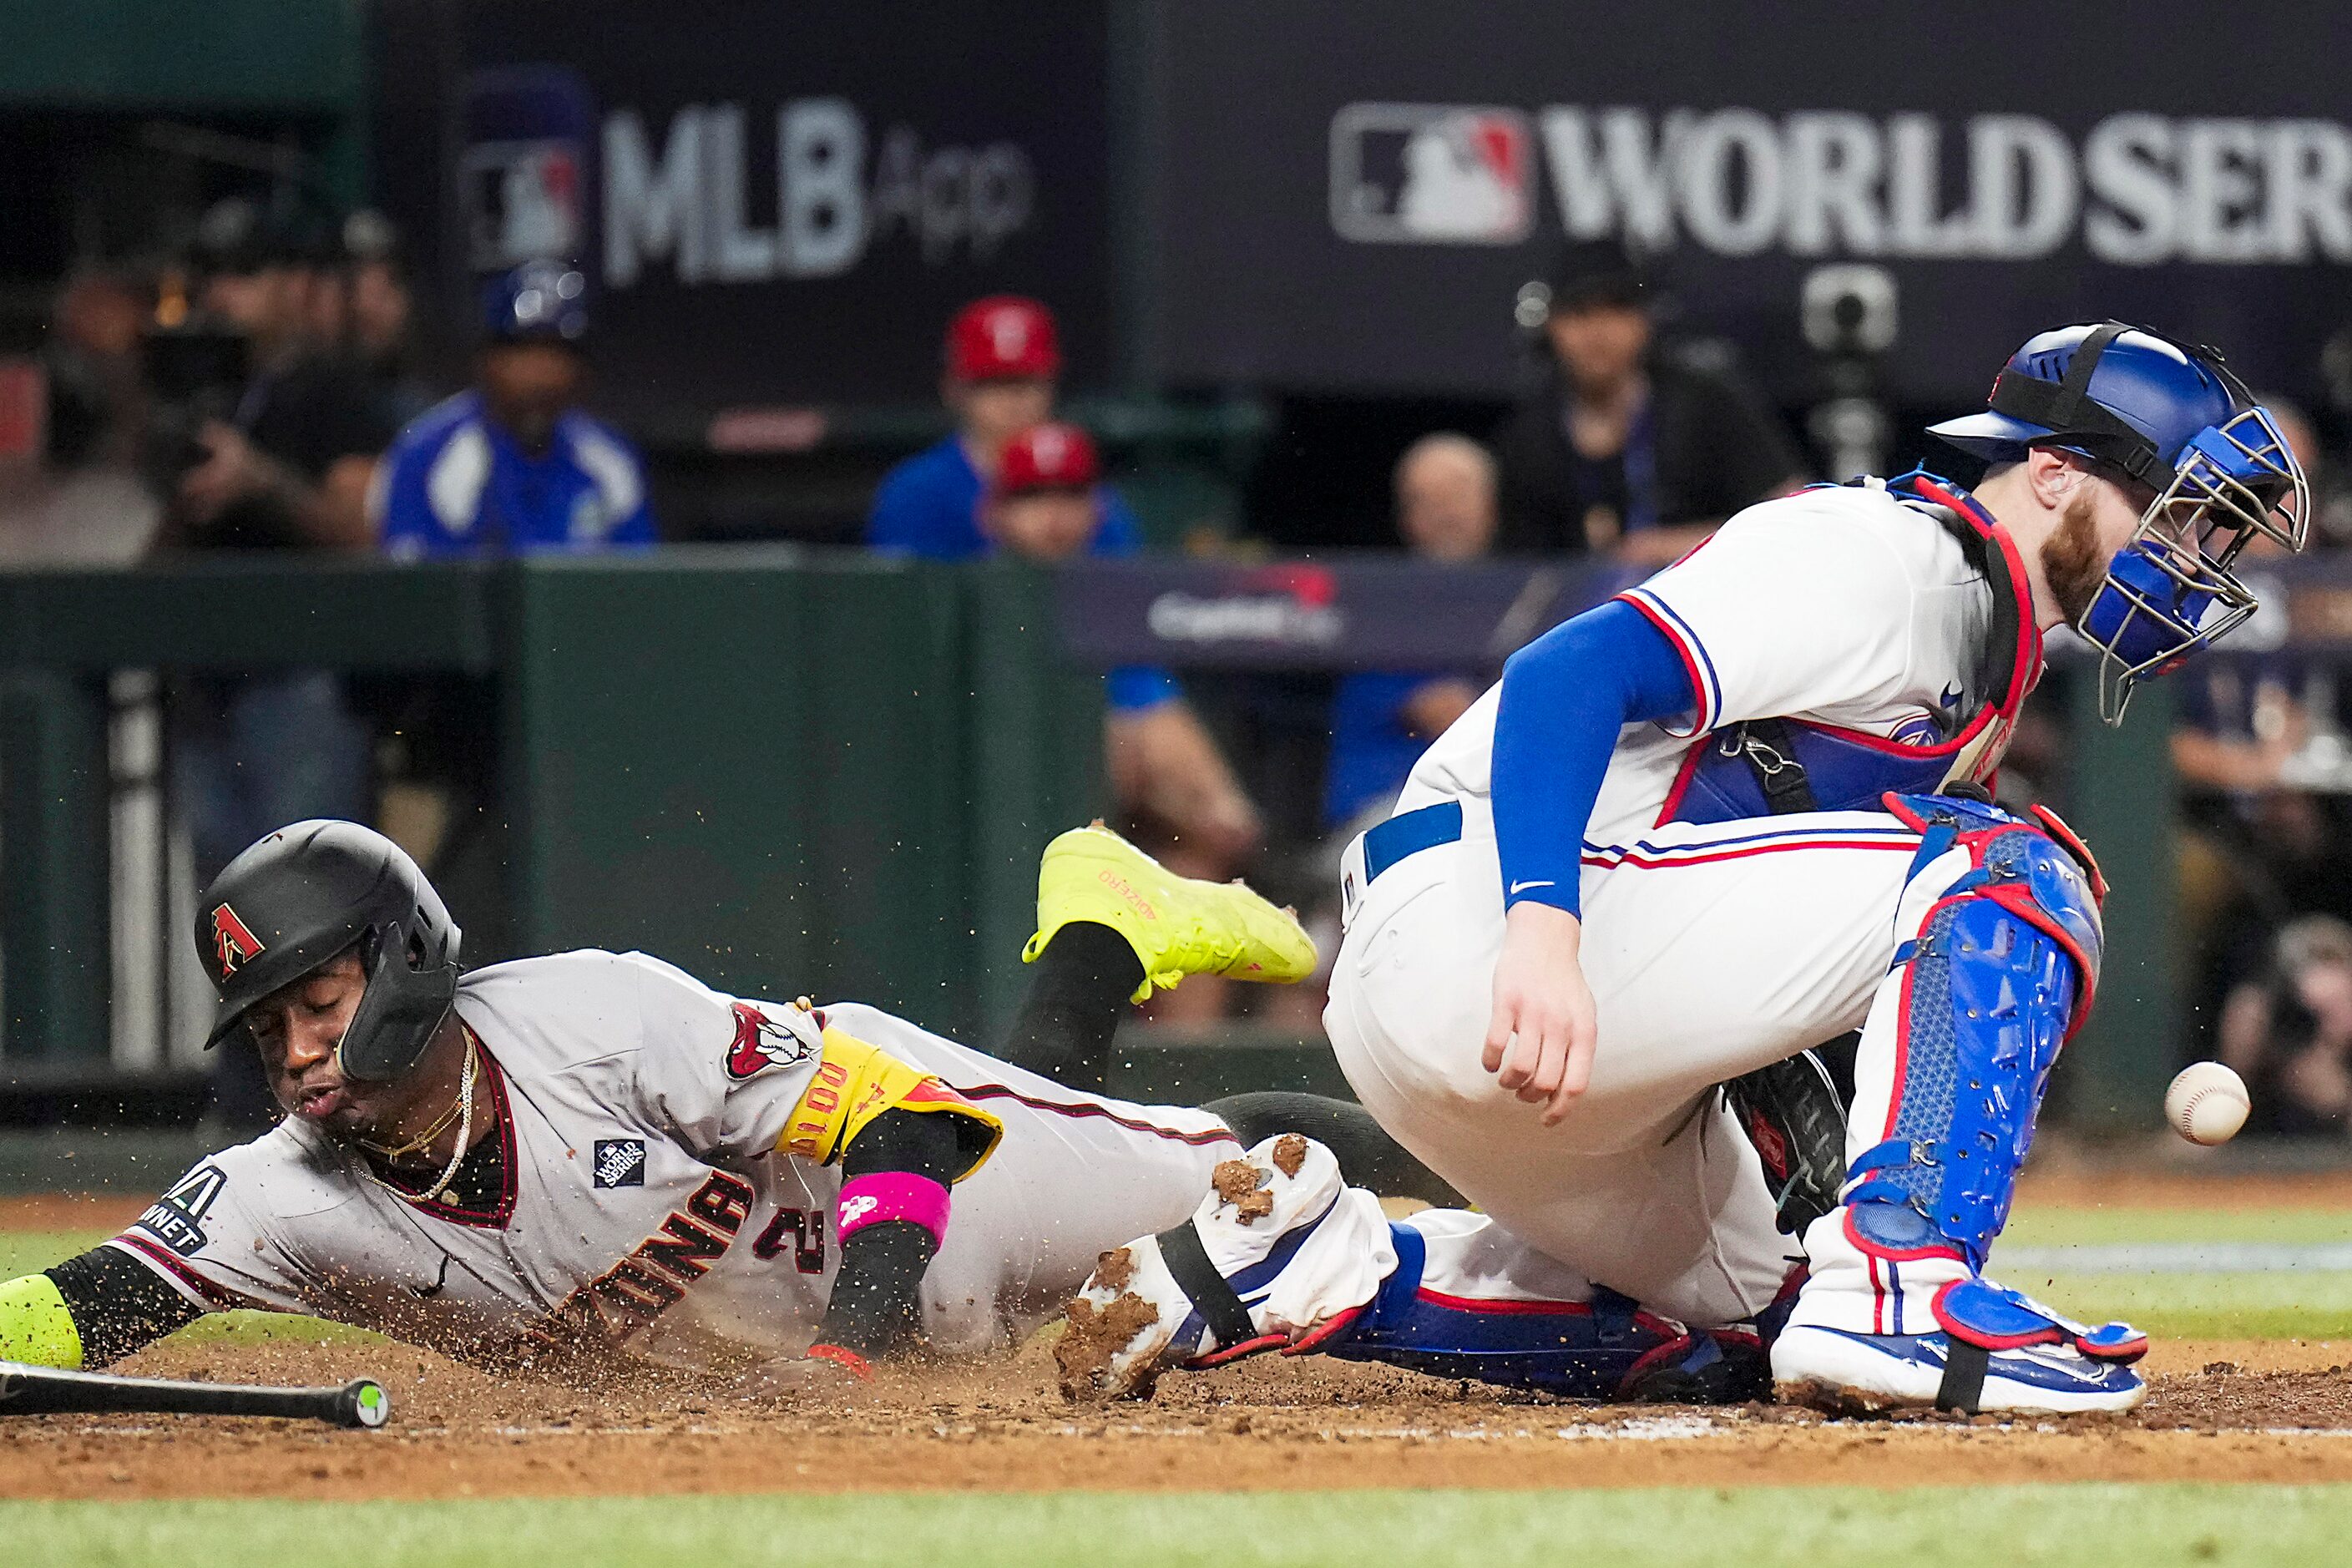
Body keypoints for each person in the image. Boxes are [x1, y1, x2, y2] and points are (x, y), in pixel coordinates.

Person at [1063, 323, 2309, 1416]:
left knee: (1760, 1334)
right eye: (2179, 509)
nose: (2196, 553)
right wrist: (1540, 931)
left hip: (1548, 1050)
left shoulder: (1983, 649)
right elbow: (1567, 676)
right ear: (2052, 472)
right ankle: (1905, 1286)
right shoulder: (1880, 553)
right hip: (1491, 924)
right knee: (2021, 870)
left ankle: (1316, 1267)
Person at [0, 819, 1429, 1390]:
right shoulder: (280, 1192)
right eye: (271, 1026)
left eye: (321, 1005)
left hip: (944, 1197)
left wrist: (851, 1362)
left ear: (404, 964)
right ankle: (1099, 933)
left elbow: (910, 1129)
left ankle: (1501, 1184)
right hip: (855, 1312)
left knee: (1251, 1180)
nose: (302, 1053)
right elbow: (89, 1301)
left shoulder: (593, 1017)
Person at [1492, 240, 1803, 565]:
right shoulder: (1529, 430)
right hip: (1577, 607)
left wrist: (1679, 547)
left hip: (1701, 596)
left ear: (1646, 321)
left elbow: (1790, 512)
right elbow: (1515, 560)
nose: (1599, 331)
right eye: (1579, 312)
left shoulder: (1704, 401)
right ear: (1551, 326)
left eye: (1617, 310)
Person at [372, 261, 652, 559]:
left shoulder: (610, 458)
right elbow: (414, 590)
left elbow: (638, 590)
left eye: (556, 352)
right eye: (522, 350)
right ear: (486, 360)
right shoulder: (425, 456)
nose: (539, 376)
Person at [1322, 434, 1498, 833]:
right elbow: (1445, 711)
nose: (1445, 514)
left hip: (1497, 810)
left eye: (1457, 495)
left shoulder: (1537, 597)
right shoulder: (1383, 605)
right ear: (1404, 518)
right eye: (1426, 501)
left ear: (1492, 507)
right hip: (1387, 811)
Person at [867, 296, 1069, 560]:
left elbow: (1126, 590)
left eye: (1026, 381)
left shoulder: (1080, 492)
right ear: (953, 389)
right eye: (993, 383)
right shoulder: (916, 492)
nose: (1014, 401)